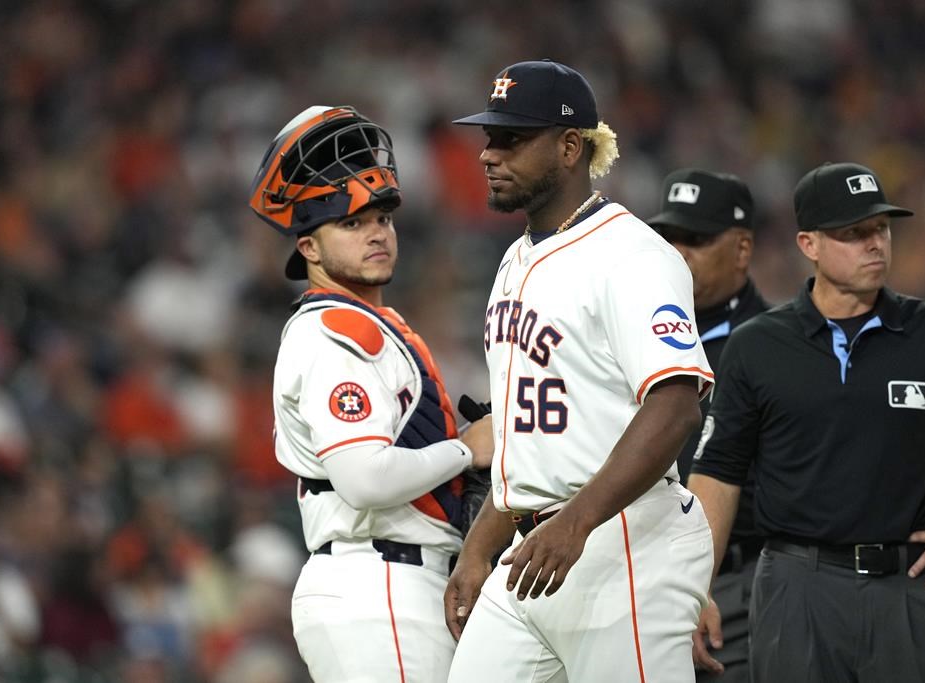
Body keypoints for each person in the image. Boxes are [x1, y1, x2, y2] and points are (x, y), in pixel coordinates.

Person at [445, 59, 715, 682]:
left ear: (570, 146)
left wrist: (576, 521)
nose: (489, 153)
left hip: (627, 540)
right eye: (490, 137)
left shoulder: (633, 254)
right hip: (534, 550)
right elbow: (528, 438)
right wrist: (480, 546)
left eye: (512, 139)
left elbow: (676, 406)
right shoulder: (514, 260)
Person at [688, 161, 925, 682]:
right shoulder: (758, 345)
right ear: (809, 244)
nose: (875, 244)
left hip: (911, 584)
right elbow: (718, 473)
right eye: (853, 233)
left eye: (880, 228)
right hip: (797, 586)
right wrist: (696, 585)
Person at [247, 105, 494, 682]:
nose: (377, 233)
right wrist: (466, 449)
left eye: (382, 218)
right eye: (351, 224)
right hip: (378, 583)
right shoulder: (336, 334)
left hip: (397, 583)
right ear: (308, 248)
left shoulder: (370, 323)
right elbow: (365, 480)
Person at [646, 169, 769, 681]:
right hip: (636, 573)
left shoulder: (776, 346)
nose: (678, 252)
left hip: (734, 585)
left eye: (695, 239)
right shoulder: (636, 335)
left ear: (742, 249)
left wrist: (702, 581)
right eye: (669, 238)